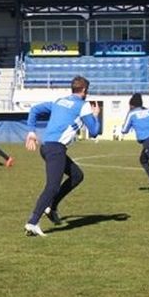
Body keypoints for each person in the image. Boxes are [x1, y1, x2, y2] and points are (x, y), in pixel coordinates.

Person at [22, 75, 101, 236]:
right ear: (85, 90)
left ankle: (51, 207)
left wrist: (31, 131)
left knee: (77, 175)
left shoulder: (59, 101)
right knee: (52, 186)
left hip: (47, 147)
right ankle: (33, 222)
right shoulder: (83, 105)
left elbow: (35, 109)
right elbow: (93, 132)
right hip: (56, 149)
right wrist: (95, 115)